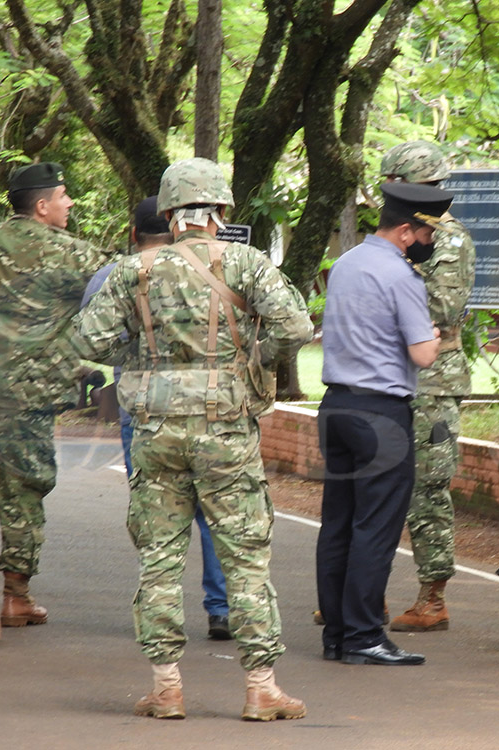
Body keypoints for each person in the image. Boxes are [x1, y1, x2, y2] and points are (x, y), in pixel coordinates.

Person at [72, 157, 313, 721]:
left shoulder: (134, 270)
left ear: (169, 213)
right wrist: (252, 355)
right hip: (225, 429)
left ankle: (166, 687)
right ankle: (260, 687)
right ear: (221, 211)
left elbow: (88, 339)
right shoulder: (247, 264)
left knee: (159, 556)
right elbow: (296, 328)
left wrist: (140, 359)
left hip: (154, 431)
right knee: (245, 555)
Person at [81, 196, 233, 641]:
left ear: (133, 235)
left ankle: (159, 610)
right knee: (214, 512)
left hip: (142, 409)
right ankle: (221, 608)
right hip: (210, 408)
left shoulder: (114, 276)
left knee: (155, 512)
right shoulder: (222, 267)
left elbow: (90, 341)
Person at [316, 181, 450, 666]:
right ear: (409, 232)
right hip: (381, 414)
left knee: (338, 525)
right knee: (375, 528)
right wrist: (434, 339)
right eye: (429, 233)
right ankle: (364, 637)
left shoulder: (346, 264)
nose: (431, 243)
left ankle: (337, 635)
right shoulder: (402, 277)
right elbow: (421, 354)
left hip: (336, 406)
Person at [0, 161, 113, 627]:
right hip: (28, 394)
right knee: (23, 487)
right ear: (42, 207)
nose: (70, 202)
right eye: (64, 195)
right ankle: (15, 595)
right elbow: (119, 292)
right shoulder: (76, 256)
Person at [379, 141, 476, 633]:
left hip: (434, 381)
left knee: (428, 488)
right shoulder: (401, 236)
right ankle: (366, 592)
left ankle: (432, 597)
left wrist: (390, 280)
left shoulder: (449, 239)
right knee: (380, 482)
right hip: (395, 374)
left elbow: (442, 306)